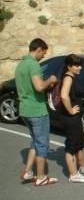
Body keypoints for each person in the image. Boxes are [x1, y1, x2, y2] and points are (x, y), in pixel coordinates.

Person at [15, 38, 58, 186]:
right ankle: (41, 177)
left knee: (35, 141)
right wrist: (50, 80)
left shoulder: (20, 65)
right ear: (38, 49)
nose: (43, 56)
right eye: (43, 53)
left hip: (25, 109)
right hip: (36, 110)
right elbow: (39, 87)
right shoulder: (33, 65)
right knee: (42, 144)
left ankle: (28, 171)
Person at [59, 54, 84, 183]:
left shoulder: (72, 76)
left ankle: (82, 166)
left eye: (80, 65)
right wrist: (70, 110)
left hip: (75, 117)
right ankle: (73, 175)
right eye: (77, 65)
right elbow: (63, 96)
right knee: (71, 146)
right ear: (69, 66)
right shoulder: (68, 78)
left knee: (79, 143)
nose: (80, 68)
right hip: (70, 118)